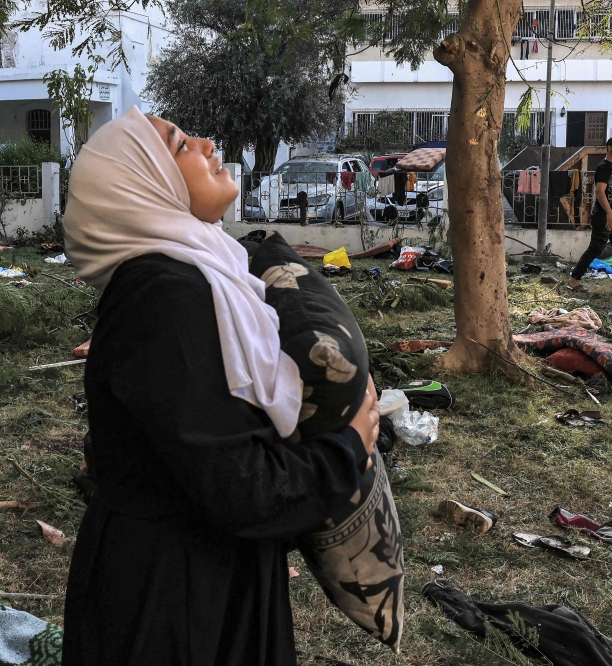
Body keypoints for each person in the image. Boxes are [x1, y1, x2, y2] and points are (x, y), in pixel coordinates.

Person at [60, 106, 382, 666]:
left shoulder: (196, 275)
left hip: (201, 571)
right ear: (143, 181)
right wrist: (348, 448)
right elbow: (240, 487)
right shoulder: (164, 296)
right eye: (180, 143)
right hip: (174, 598)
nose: (208, 144)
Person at [567, 135, 612, 293]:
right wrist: (609, 214)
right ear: (609, 147)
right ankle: (574, 280)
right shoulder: (605, 167)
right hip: (604, 216)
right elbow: (599, 191)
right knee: (596, 249)